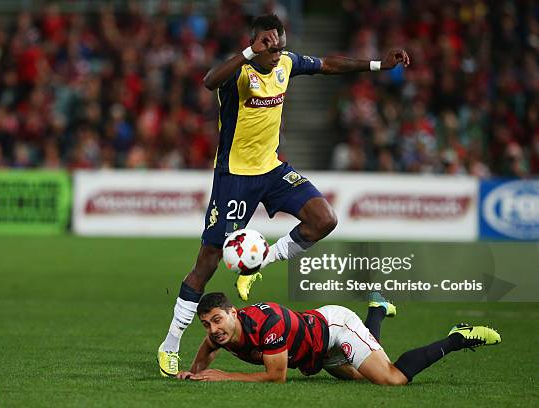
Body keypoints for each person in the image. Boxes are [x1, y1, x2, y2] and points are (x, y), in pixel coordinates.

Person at [157, 13, 411, 377]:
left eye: (280, 45)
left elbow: (327, 65)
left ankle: (258, 264)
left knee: (324, 219)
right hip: (234, 176)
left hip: (272, 169)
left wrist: (375, 65)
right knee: (208, 261)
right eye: (269, 45)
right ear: (256, 43)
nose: (277, 53)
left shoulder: (286, 64)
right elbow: (208, 80)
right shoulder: (240, 74)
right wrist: (248, 53)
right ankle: (170, 345)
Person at [175, 292, 501, 383]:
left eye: (217, 320)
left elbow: (276, 377)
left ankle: (456, 338)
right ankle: (377, 309)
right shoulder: (221, 334)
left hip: (334, 328)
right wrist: (194, 371)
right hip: (316, 355)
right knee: (363, 376)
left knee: (391, 378)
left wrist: (222, 377)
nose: (213, 329)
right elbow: (207, 352)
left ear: (234, 313)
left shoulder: (267, 323)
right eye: (206, 324)